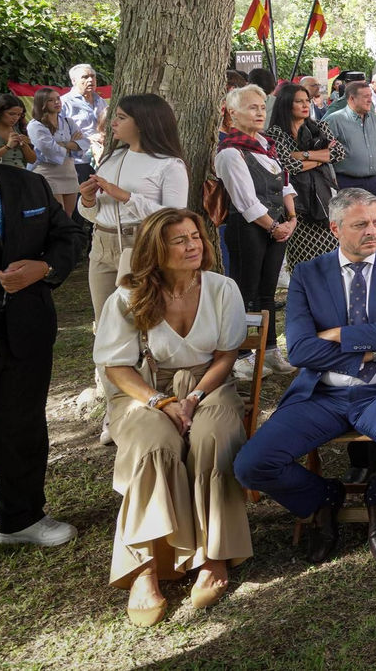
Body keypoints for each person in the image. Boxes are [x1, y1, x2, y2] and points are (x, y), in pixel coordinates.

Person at [233, 190, 376, 564]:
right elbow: (302, 350)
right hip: (323, 394)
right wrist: (371, 349)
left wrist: (339, 334)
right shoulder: (309, 275)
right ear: (335, 228)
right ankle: (322, 498)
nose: (372, 231)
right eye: (360, 225)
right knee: (252, 465)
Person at [95, 208, 251, 624]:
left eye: (195, 237)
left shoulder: (221, 288)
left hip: (210, 383)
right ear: (155, 249)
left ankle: (214, 555)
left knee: (213, 436)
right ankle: (146, 566)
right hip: (143, 390)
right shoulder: (128, 297)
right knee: (153, 444)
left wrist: (195, 396)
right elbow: (116, 367)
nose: (192, 246)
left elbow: (226, 356)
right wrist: (160, 402)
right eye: (179, 240)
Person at [0, 96, 82, 575]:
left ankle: (21, 517)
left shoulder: (26, 183)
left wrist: (46, 268)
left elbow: (68, 236)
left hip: (27, 331)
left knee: (23, 427)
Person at [78, 94, 190, 334]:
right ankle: (107, 370)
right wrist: (87, 199)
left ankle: (146, 369)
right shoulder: (111, 157)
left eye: (121, 117)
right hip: (101, 244)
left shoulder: (169, 164)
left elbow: (176, 216)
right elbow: (95, 213)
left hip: (141, 243)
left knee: (142, 319)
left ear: (142, 123)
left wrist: (127, 197)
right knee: (105, 319)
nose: (113, 123)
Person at [216, 85, 296, 370]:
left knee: (267, 290)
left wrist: (292, 218)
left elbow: (285, 183)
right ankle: (239, 356)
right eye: (252, 107)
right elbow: (245, 201)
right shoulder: (230, 152)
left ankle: (270, 349)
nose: (260, 112)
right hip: (248, 227)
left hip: (276, 226)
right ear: (233, 113)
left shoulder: (266, 145)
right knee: (243, 289)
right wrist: (275, 227)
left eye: (262, 107)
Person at [266, 81, 348, 277]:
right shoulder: (276, 133)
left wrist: (301, 155)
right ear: (286, 104)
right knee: (303, 261)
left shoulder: (319, 126)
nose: (305, 105)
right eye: (298, 101)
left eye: (307, 101)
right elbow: (287, 165)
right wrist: (321, 156)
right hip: (297, 202)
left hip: (324, 196)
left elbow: (338, 153)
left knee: (331, 254)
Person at [324, 80, 376, 198]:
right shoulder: (334, 120)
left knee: (372, 216)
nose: (370, 100)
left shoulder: (374, 119)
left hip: (375, 181)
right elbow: (324, 152)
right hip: (347, 183)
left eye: (370, 96)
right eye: (366, 97)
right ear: (352, 99)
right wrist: (333, 178)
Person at [27, 87, 82, 215]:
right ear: (42, 103)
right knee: (57, 214)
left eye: (58, 98)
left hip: (68, 171)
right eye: (51, 100)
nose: (57, 102)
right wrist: (71, 144)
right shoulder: (35, 125)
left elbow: (83, 144)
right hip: (48, 172)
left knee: (68, 215)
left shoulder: (68, 122)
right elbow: (49, 149)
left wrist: (61, 144)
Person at [61, 63, 107, 186]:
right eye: (85, 77)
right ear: (73, 81)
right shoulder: (64, 103)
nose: (90, 80)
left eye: (93, 76)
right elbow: (57, 132)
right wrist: (86, 140)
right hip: (77, 161)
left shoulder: (101, 102)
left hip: (102, 159)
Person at [0, 93, 35, 169]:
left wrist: (25, 145)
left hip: (22, 173)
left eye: (19, 114)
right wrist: (7, 147)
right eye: (11, 114)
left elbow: (32, 160)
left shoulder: (19, 130)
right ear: (0, 112)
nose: (15, 118)